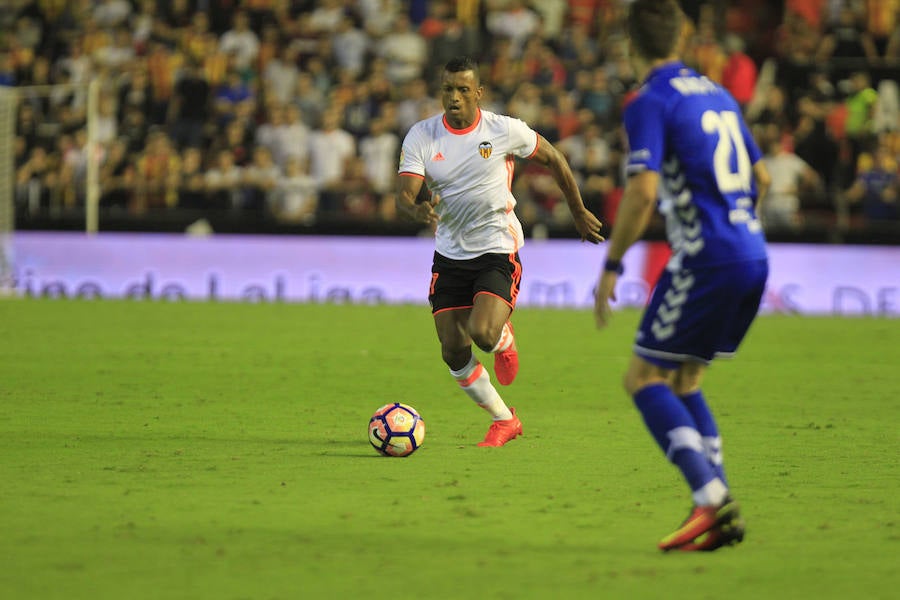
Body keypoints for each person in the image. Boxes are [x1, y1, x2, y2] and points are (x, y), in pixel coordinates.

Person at [593, 0, 771, 552]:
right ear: (685, 36)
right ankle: (715, 506)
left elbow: (643, 192)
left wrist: (613, 264)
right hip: (752, 251)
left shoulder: (650, 100)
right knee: (686, 380)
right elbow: (761, 175)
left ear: (630, 43)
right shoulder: (718, 93)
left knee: (642, 379)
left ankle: (712, 499)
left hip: (706, 258)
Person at [397, 56, 604, 447]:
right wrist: (415, 208)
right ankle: (505, 419)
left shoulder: (503, 129)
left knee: (482, 332)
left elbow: (555, 158)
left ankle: (503, 341)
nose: (454, 98)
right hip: (450, 254)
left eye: (462, 90)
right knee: (452, 351)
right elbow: (404, 195)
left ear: (478, 93)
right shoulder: (421, 136)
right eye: (447, 89)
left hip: (497, 247)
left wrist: (578, 212)